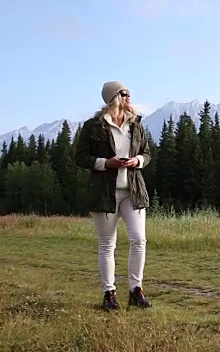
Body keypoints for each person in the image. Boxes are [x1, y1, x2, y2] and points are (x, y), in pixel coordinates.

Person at [75, 81, 152, 311]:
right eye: (126, 93)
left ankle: (135, 291)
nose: (130, 97)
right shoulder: (93, 126)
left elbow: (146, 154)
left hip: (133, 191)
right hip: (104, 194)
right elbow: (80, 157)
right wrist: (105, 163)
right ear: (115, 97)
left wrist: (137, 161)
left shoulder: (136, 124)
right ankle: (109, 294)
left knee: (139, 240)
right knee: (107, 245)